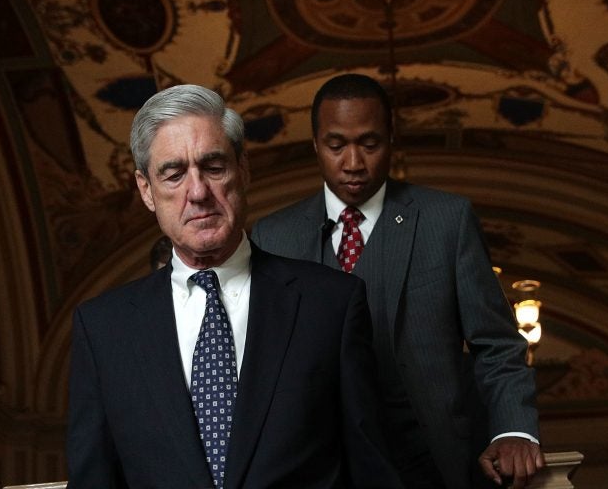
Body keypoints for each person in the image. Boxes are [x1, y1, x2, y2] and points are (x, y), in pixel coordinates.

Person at [66, 84, 405, 488]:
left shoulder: (330, 304)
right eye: (174, 174)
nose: (197, 192)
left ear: (243, 170)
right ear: (146, 190)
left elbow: (372, 471)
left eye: (213, 167)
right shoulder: (103, 328)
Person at [251, 74, 545, 489]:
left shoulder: (447, 221)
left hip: (432, 462)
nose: (353, 162)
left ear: (391, 140)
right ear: (315, 145)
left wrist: (514, 430)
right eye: (336, 146)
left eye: (370, 144)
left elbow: (496, 344)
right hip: (317, 467)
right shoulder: (272, 236)